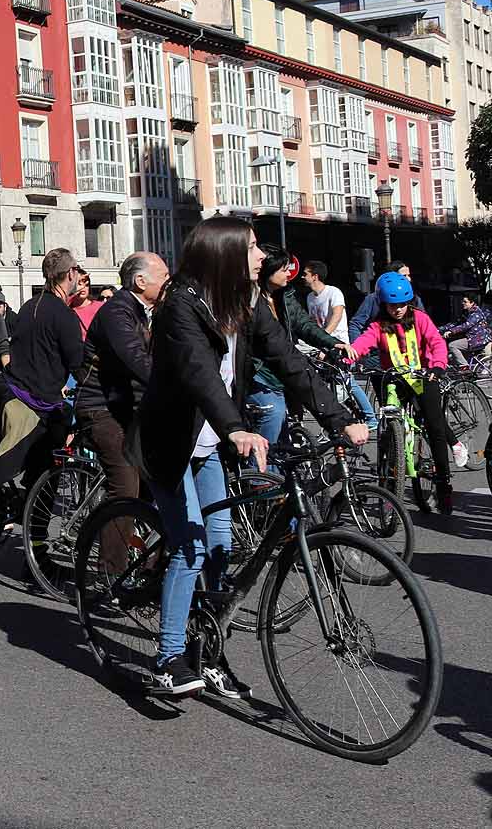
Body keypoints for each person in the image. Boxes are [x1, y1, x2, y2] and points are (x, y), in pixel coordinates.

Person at [135, 218, 366, 698]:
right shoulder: (181, 306)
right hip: (171, 442)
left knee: (220, 544)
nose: (262, 257)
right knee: (190, 546)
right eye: (254, 247)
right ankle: (168, 656)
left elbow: (288, 361)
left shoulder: (247, 303)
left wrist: (338, 417)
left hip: (210, 443)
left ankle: (209, 651)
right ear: (224, 254)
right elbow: (200, 374)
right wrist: (237, 426)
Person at [349, 270, 467, 514]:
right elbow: (363, 343)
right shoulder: (377, 326)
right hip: (393, 380)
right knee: (388, 426)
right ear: (383, 304)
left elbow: (436, 342)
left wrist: (437, 366)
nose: (398, 310)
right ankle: (390, 465)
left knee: (435, 427)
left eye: (403, 304)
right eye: (393, 306)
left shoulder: (421, 319)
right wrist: (350, 354)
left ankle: (444, 484)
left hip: (424, 377)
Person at [0, 249, 86, 505]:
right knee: (44, 471)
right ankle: (33, 531)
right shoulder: (64, 316)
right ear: (70, 273)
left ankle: (28, 519)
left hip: (16, 391)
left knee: (39, 468)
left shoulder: (30, 306)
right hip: (34, 403)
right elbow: (78, 364)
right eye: (77, 270)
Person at [74, 252, 168, 507]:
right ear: (140, 281)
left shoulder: (148, 311)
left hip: (128, 406)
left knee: (158, 481)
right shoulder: (117, 312)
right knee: (126, 489)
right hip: (100, 407)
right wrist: (174, 387)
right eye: (164, 277)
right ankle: (110, 545)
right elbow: (137, 360)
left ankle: (152, 543)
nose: (168, 283)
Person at [247, 249, 355, 448]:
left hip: (284, 362)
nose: (290, 273)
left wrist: (331, 342)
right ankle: (261, 473)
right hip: (261, 369)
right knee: (275, 411)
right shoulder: (252, 300)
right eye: (284, 269)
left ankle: (287, 459)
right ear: (268, 271)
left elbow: (304, 325)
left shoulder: (285, 296)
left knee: (296, 412)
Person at [349, 260, 414, 340]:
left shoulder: (415, 300)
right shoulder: (372, 300)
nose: (408, 279)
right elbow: (356, 324)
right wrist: (357, 348)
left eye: (403, 304)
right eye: (404, 276)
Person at [442, 294, 492, 368]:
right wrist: (438, 329)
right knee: (454, 353)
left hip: (476, 340)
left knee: (452, 345)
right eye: (462, 301)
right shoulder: (467, 312)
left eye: (465, 302)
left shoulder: (476, 313)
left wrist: (451, 331)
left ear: (472, 303)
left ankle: (465, 367)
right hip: (472, 338)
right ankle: (464, 371)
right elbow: (456, 323)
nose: (463, 303)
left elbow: (466, 325)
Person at [302, 260, 348, 341]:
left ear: (315, 277)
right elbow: (313, 322)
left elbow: (337, 315)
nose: (302, 277)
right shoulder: (310, 297)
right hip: (321, 342)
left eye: (305, 274)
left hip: (337, 341)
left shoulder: (333, 292)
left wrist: (323, 337)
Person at [69, 268, 100, 336]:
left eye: (86, 284)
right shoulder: (67, 308)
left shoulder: (99, 307)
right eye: (79, 283)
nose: (83, 287)